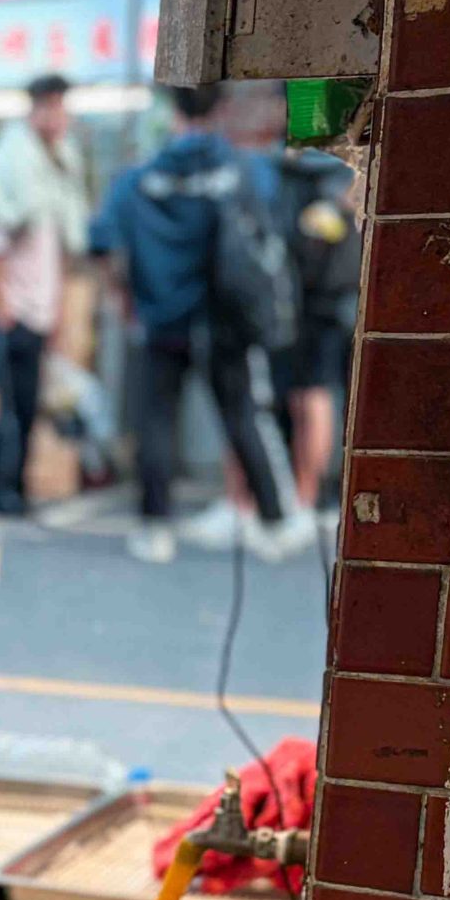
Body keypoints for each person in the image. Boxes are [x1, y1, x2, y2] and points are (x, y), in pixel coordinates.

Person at [96, 87, 308, 565]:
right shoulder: (243, 169)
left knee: (156, 422)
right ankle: (273, 520)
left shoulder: (139, 177)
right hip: (225, 321)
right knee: (242, 415)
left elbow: (104, 243)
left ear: (173, 113)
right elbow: (268, 238)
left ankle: (155, 528)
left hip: (160, 320)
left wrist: (124, 300)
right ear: (221, 110)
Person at [0, 75, 87, 517]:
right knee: (9, 410)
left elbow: (58, 253)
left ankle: (15, 489)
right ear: (33, 110)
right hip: (11, 310)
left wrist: (56, 311)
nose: (56, 116)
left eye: (61, 107)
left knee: (25, 406)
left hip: (38, 309)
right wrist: (3, 307)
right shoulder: (8, 164)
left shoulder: (56, 168)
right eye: (49, 107)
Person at [271, 145, 361, 522]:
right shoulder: (352, 180)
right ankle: (329, 496)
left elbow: (305, 256)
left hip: (318, 310)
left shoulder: (311, 189)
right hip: (351, 304)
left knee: (313, 399)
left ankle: (310, 497)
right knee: (346, 403)